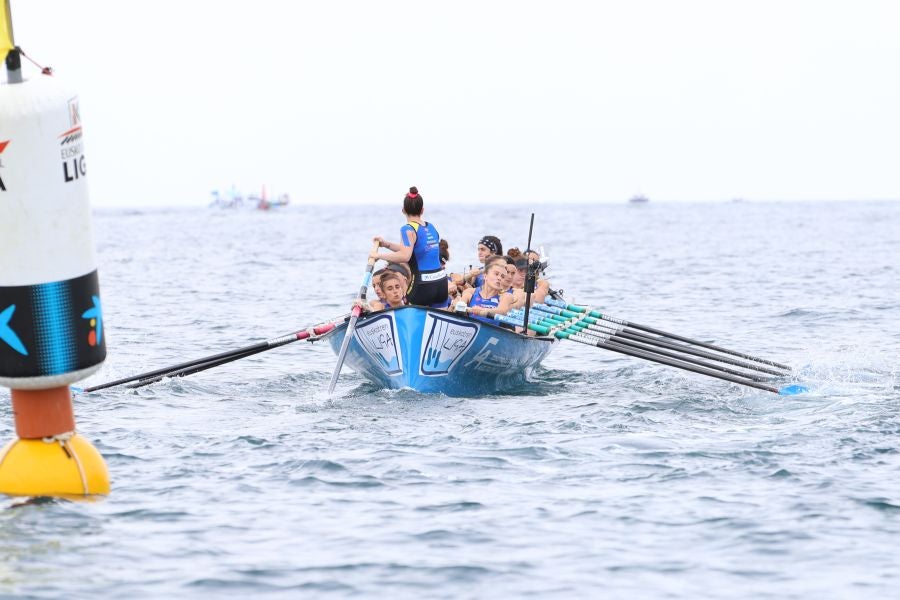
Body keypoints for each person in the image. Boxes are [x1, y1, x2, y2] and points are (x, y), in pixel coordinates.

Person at [371, 187, 448, 308]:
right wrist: (386, 244)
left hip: (423, 286)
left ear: (403, 210)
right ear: (422, 210)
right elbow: (415, 250)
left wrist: (379, 256)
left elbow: (405, 255)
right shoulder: (431, 227)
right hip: (442, 284)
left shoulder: (407, 229)